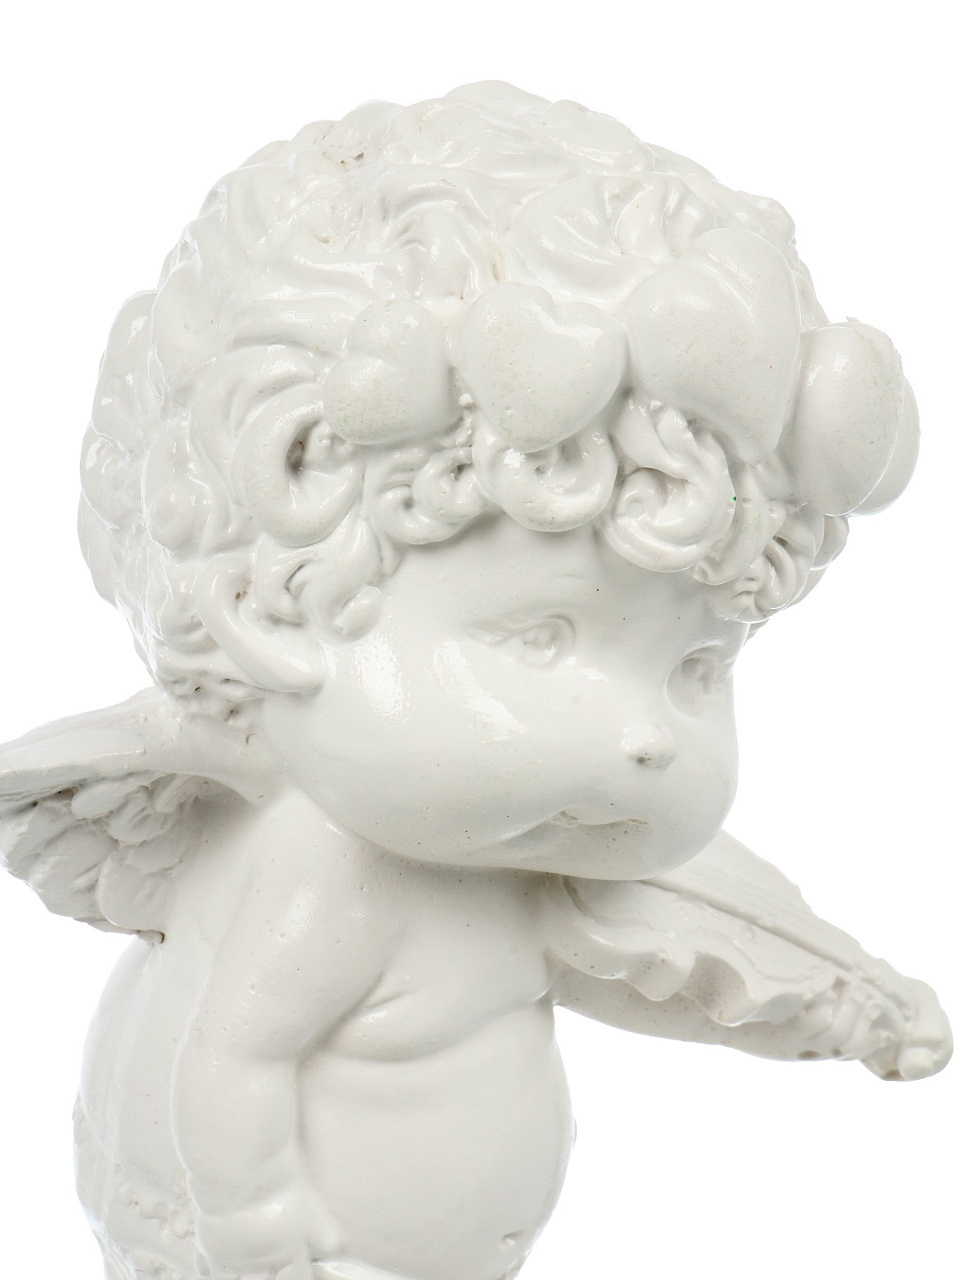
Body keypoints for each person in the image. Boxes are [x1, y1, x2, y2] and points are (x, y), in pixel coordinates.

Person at [0, 82, 949, 1280]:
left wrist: (839, 1004)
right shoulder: (327, 870)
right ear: (270, 611)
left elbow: (663, 952)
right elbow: (231, 1058)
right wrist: (257, 1228)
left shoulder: (524, 856)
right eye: (542, 638)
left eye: (696, 667)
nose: (645, 735)